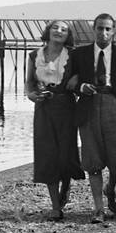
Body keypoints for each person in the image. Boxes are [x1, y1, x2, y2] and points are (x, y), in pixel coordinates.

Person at [68, 13, 116, 222]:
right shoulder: (80, 54)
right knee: (92, 160)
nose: (103, 33)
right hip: (88, 108)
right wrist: (81, 86)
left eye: (107, 29)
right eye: (99, 28)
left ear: (113, 31)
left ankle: (110, 188)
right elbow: (70, 81)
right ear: (93, 29)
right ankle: (98, 209)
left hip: (114, 109)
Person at [24, 20, 85, 219]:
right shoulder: (34, 55)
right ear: (48, 31)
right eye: (56, 27)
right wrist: (32, 95)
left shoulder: (74, 56)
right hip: (44, 108)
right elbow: (29, 84)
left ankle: (66, 185)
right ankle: (56, 206)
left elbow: (85, 75)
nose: (59, 31)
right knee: (47, 155)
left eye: (64, 29)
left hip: (66, 107)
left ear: (68, 35)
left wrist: (78, 78)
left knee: (65, 154)